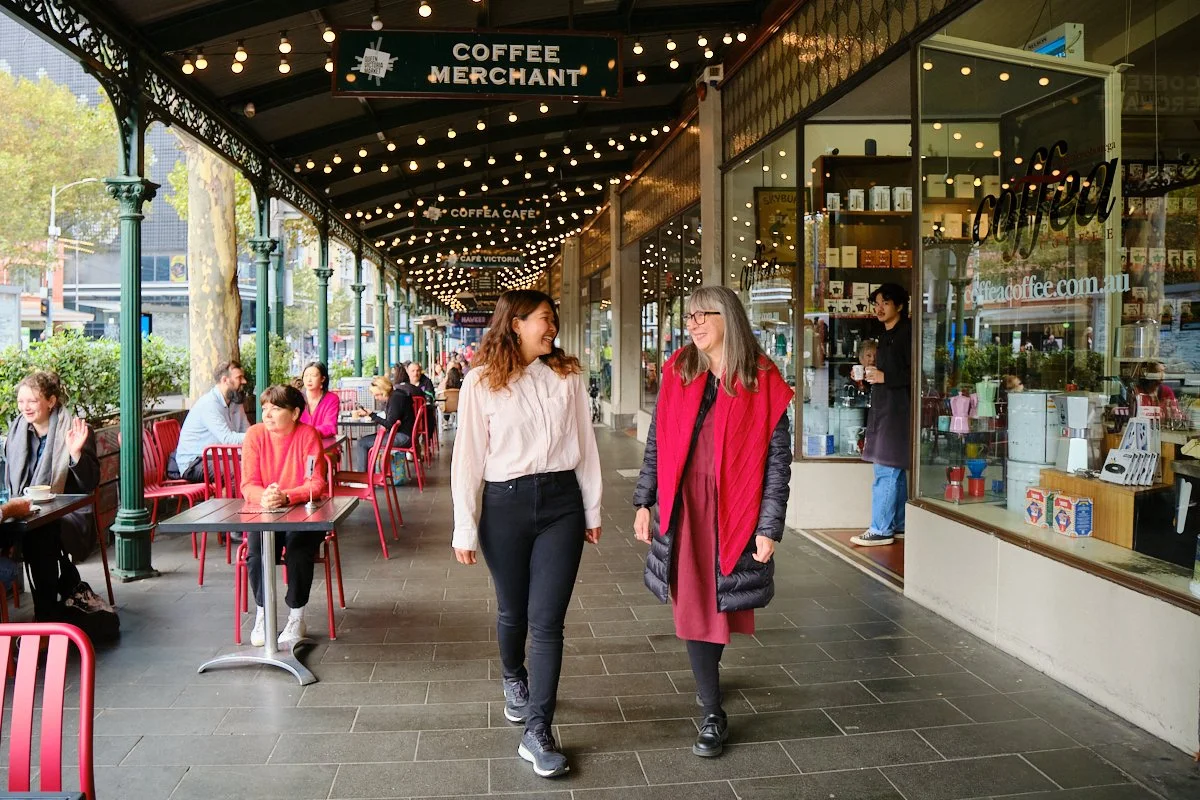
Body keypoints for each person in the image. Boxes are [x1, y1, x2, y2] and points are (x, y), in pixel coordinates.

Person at [631, 285, 793, 759]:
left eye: (705, 314)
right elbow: (658, 441)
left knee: (719, 604)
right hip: (686, 509)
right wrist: (645, 502)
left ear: (731, 318)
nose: (694, 322)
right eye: (690, 315)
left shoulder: (762, 378)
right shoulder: (679, 369)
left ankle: (710, 677)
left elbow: (777, 463)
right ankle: (711, 712)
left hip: (735, 507)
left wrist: (769, 527)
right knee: (695, 609)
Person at [451, 289, 602, 779]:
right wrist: (464, 527)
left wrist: (592, 507)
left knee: (547, 621)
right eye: (543, 318)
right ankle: (513, 676)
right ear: (515, 324)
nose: (552, 326)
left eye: (553, 319)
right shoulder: (480, 383)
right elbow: (468, 460)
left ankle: (538, 730)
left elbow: (587, 445)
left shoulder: (568, 376)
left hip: (561, 505)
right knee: (513, 610)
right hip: (504, 506)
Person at [3, 371, 103, 620]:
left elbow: (89, 483)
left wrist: (75, 454)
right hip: (25, 512)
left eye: (32, 401)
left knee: (40, 535)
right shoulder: (17, 433)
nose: (25, 408)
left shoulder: (75, 430)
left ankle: (45, 616)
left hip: (67, 513)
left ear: (51, 401)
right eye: (21, 401)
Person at [241, 384, 329, 648]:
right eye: (265, 408)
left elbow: (315, 483)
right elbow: (248, 484)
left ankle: (296, 616)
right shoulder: (254, 435)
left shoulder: (307, 435)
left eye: (276, 408)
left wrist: (287, 496)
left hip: (302, 511)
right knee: (257, 552)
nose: (267, 414)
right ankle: (263, 613)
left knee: (298, 551)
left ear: (294, 413)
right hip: (265, 510)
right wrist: (266, 497)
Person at [851, 284, 912, 547]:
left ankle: (880, 528)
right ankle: (898, 524)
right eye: (876, 303)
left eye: (885, 303)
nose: (879, 308)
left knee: (886, 470)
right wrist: (868, 376)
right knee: (893, 470)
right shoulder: (885, 336)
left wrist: (885, 377)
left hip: (899, 413)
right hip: (885, 410)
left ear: (899, 305)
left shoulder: (907, 334)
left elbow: (919, 373)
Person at [173, 360, 250, 482]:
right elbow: (228, 439)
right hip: (195, 462)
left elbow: (246, 430)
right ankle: (227, 500)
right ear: (225, 380)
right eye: (239, 377)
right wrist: (257, 435)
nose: (244, 381)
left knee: (259, 464)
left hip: (220, 457)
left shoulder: (235, 402)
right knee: (241, 469)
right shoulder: (209, 404)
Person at [352, 376, 414, 470]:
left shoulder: (395, 399)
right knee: (364, 441)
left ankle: (363, 477)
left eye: (377, 395)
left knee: (362, 443)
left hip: (402, 436)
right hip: (405, 434)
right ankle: (367, 475)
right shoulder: (397, 395)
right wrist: (371, 414)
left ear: (383, 390)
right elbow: (391, 419)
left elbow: (389, 424)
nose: (376, 398)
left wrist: (372, 415)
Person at [298, 361, 339, 438]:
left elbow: (330, 427)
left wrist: (307, 433)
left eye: (313, 375)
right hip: (300, 444)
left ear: (322, 379)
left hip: (324, 444)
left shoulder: (332, 399)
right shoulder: (296, 397)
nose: (309, 379)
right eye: (306, 376)